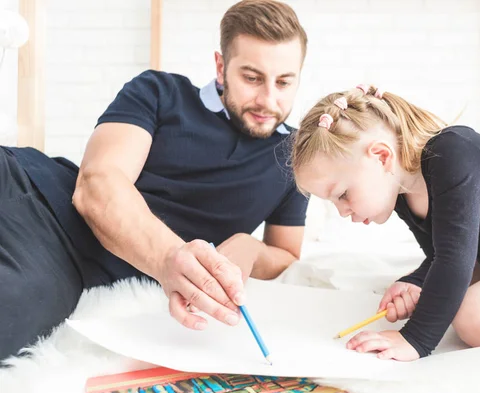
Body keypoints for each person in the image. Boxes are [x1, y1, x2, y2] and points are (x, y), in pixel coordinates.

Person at [0, 0, 309, 362]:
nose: (268, 99)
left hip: (67, 261)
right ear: (222, 68)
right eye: (253, 78)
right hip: (32, 190)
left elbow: (287, 255)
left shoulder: (295, 158)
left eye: (284, 82)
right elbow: (98, 184)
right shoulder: (160, 92)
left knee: (11, 310)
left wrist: (251, 248)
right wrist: (168, 258)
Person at [290, 84, 480, 361]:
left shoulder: (452, 153)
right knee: (451, 297)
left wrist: (414, 339)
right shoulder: (403, 194)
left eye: (342, 194)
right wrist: (415, 281)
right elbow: (444, 252)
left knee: (472, 317)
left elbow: (455, 260)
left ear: (381, 157)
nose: (343, 211)